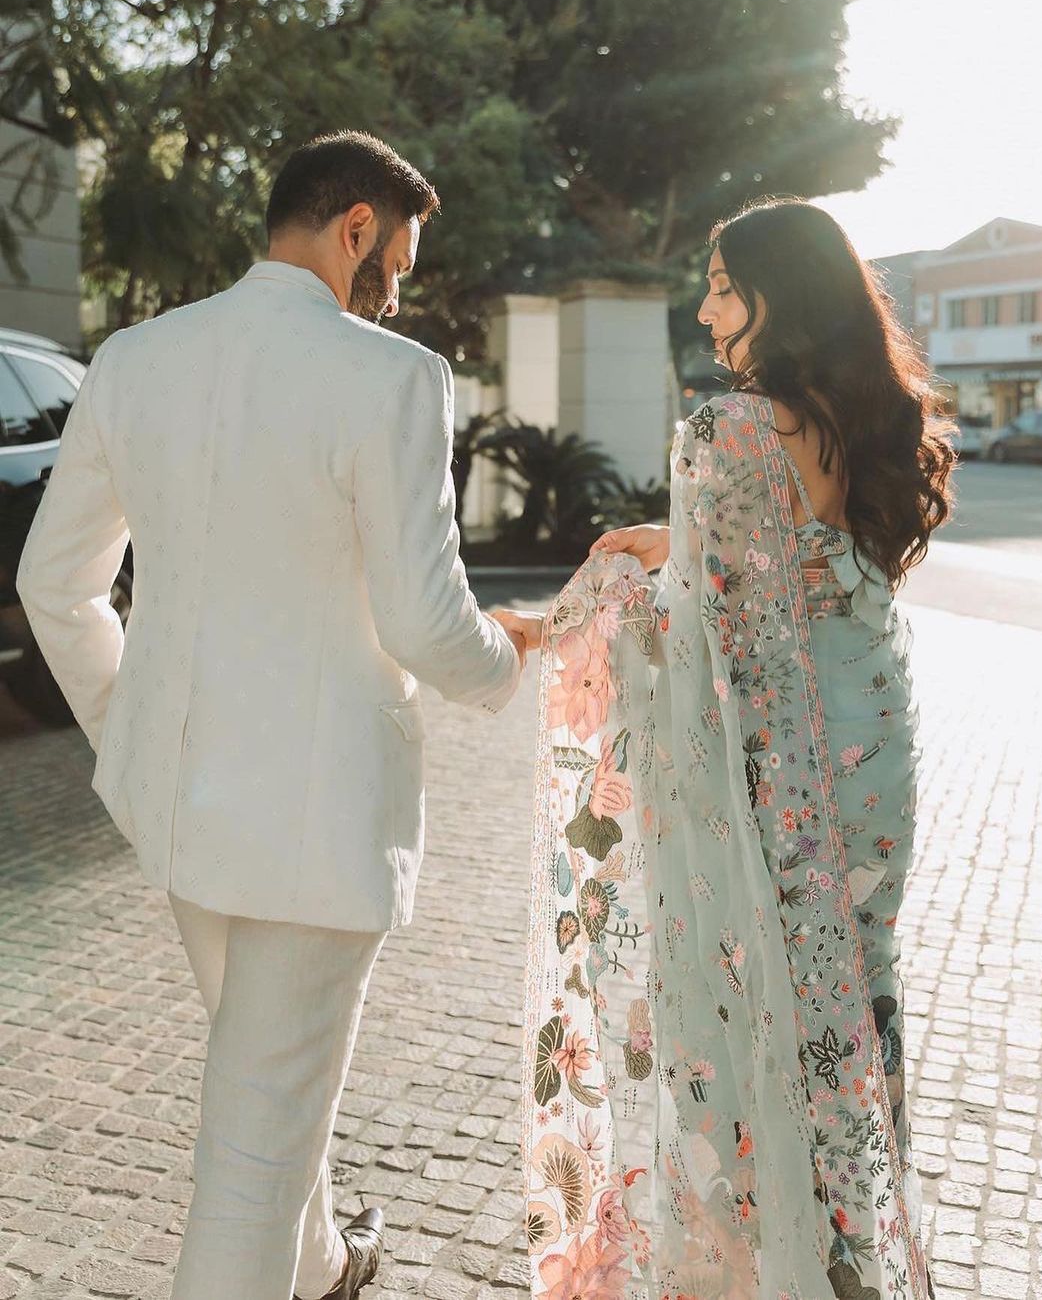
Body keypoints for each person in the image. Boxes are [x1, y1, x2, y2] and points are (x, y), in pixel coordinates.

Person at [17, 130, 530, 1300]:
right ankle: (290, 1263)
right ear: (356, 228)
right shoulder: (391, 377)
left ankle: (327, 1263)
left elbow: (57, 585)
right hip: (316, 822)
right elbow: (422, 619)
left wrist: (132, 729)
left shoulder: (135, 358)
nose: (395, 292)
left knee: (266, 1083)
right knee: (248, 1152)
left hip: (181, 811)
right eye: (395, 262)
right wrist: (510, 663)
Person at [514, 198, 953, 1298]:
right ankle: (851, 1257)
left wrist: (591, 605)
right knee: (851, 1003)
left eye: (722, 285)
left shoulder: (728, 430)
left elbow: (705, 625)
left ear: (780, 295)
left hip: (784, 775)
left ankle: (760, 1267)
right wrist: (684, 542)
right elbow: (796, 558)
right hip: (874, 755)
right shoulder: (874, 412)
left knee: (747, 1001)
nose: (704, 310)